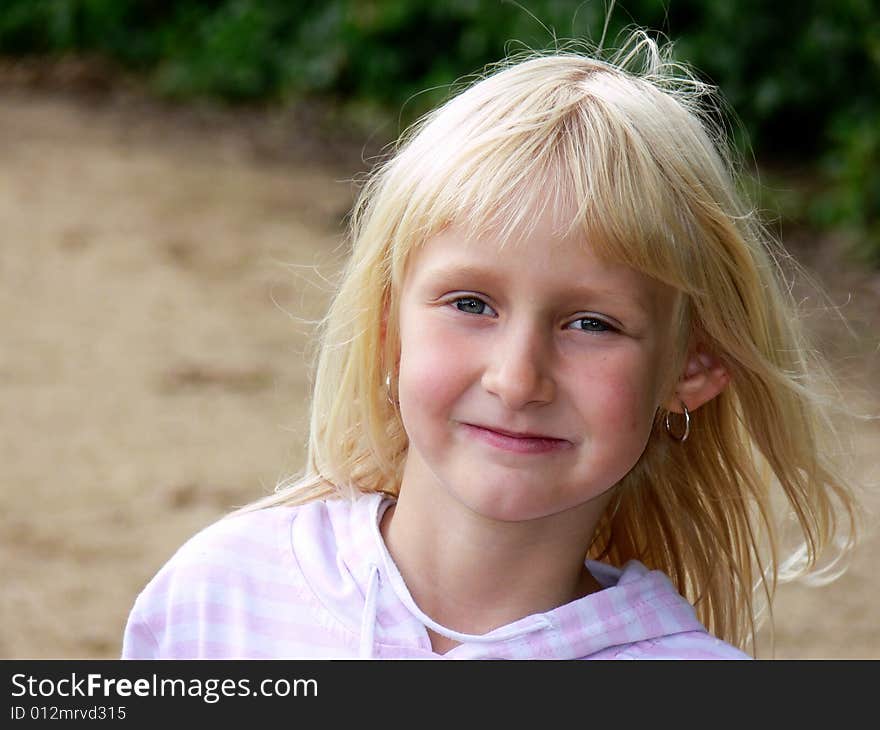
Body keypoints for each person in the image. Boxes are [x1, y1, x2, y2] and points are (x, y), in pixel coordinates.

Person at [121, 31, 861, 659]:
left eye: (591, 323)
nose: (516, 379)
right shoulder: (222, 599)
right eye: (471, 304)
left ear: (692, 366)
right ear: (387, 328)